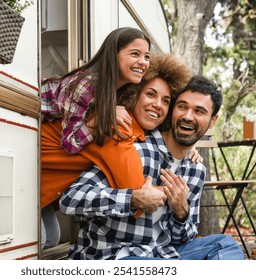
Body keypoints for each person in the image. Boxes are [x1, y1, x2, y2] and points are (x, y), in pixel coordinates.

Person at [59, 75, 245, 260]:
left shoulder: (195, 171)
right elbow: (70, 199)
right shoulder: (134, 149)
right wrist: (133, 199)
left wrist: (181, 213)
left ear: (213, 120)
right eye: (182, 107)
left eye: (199, 111)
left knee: (226, 246)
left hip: (160, 255)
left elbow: (184, 238)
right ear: (172, 109)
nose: (188, 116)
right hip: (113, 255)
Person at [40, 27, 151, 248]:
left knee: (51, 237)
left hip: (46, 163)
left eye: (147, 56)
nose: (143, 62)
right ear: (114, 53)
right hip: (29, 131)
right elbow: (70, 142)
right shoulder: (88, 83)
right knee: (43, 238)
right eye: (135, 54)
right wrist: (103, 118)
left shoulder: (113, 88)